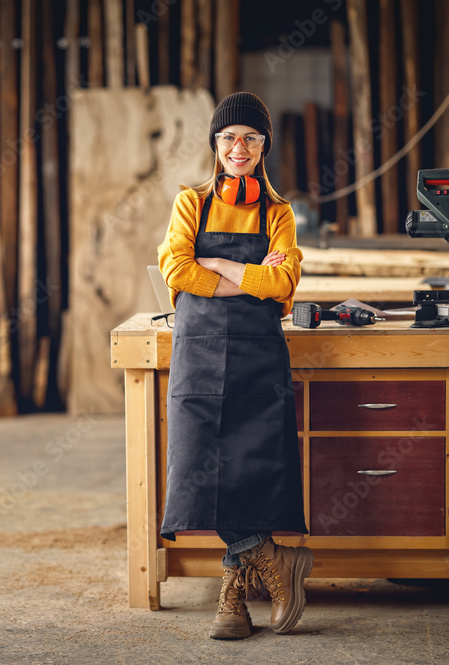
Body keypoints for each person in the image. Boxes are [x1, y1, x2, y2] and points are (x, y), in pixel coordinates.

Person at [157, 91, 312, 640]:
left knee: (250, 472)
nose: (238, 147)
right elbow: (175, 270)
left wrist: (218, 263)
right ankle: (271, 558)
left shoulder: (279, 212)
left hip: (257, 361)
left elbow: (283, 284)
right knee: (202, 475)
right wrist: (250, 278)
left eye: (249, 137)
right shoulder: (190, 203)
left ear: (264, 146)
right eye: (228, 138)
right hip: (198, 362)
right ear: (215, 146)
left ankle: (233, 596)